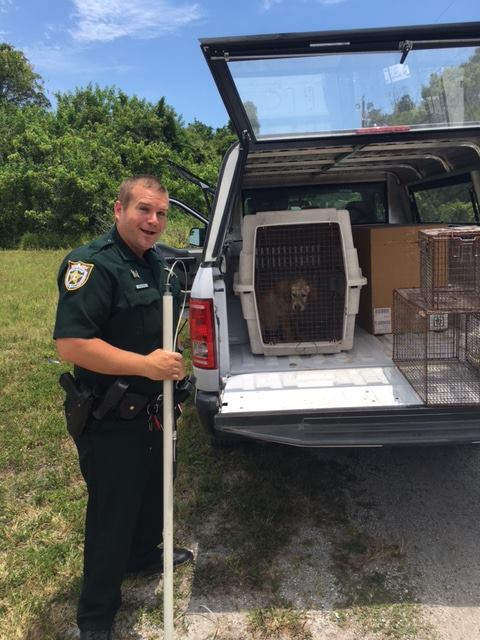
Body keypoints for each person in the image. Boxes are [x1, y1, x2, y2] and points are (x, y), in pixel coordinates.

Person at [53, 175, 193, 640]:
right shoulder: (92, 265)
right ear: (119, 210)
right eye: (144, 210)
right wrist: (147, 365)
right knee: (112, 513)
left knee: (155, 490)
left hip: (154, 408)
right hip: (112, 417)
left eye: (161, 213)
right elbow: (71, 344)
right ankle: (95, 616)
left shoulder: (155, 263)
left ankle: (141, 555)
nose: (153, 221)